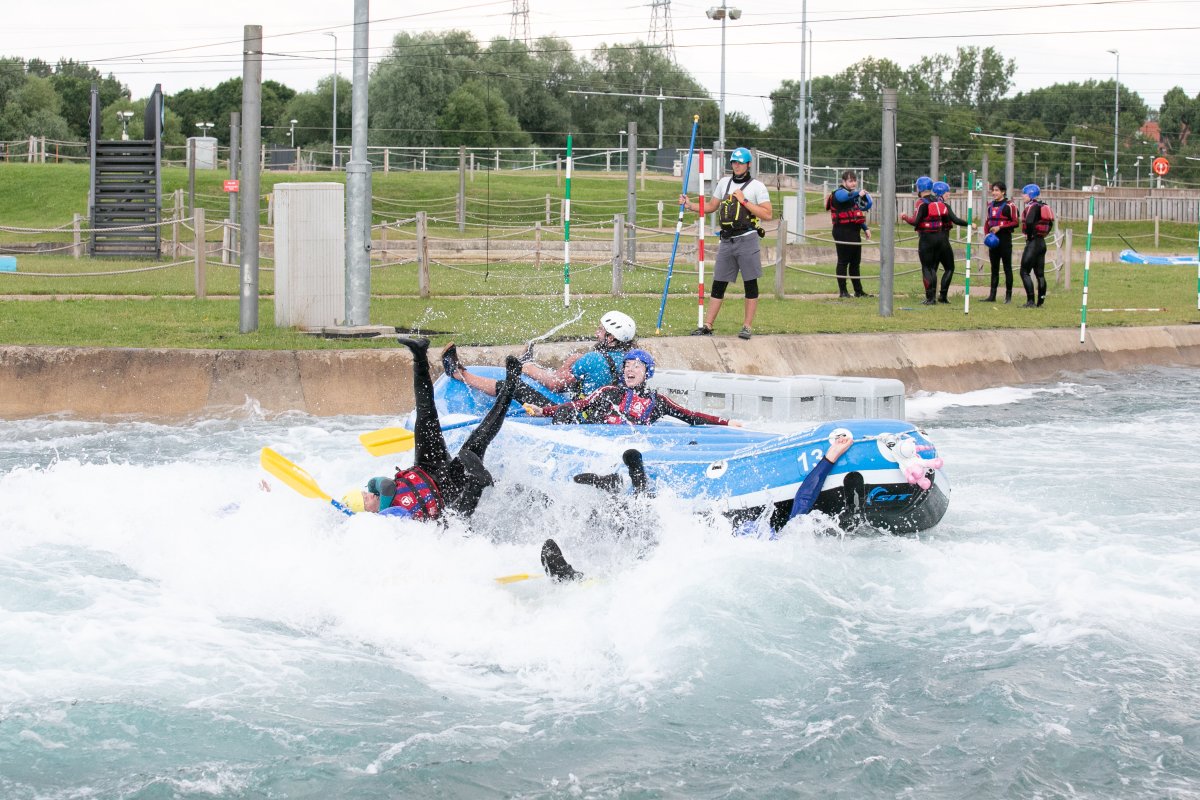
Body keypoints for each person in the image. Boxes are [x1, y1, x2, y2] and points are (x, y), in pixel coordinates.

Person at [340, 337, 523, 520]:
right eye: (365, 500)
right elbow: (386, 491)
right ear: (368, 513)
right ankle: (510, 387)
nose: (370, 494)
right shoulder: (390, 521)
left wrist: (374, 491)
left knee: (425, 413)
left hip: (427, 466)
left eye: (365, 493)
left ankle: (419, 355)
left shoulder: (382, 499)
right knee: (478, 439)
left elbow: (383, 484)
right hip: (447, 494)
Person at [442, 310, 637, 408]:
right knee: (567, 373)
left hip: (581, 416)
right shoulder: (633, 359)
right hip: (606, 412)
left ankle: (460, 374)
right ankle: (529, 363)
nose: (596, 333)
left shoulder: (594, 359)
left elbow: (555, 384)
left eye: (601, 330)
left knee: (513, 387)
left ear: (610, 338)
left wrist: (527, 369)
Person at [680, 147, 773, 340]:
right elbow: (711, 207)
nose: (737, 166)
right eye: (734, 162)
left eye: (740, 163)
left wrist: (744, 201)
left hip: (747, 239)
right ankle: (707, 325)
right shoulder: (724, 183)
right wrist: (690, 205)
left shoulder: (757, 187)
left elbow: (767, 214)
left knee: (750, 283)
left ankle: (747, 326)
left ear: (748, 164)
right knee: (719, 283)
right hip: (727, 240)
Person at [524, 349, 742, 428]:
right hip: (598, 438)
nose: (630, 369)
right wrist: (544, 411)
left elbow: (690, 416)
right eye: (627, 365)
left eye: (637, 366)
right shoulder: (609, 392)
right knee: (564, 413)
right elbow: (578, 405)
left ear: (647, 373)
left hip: (631, 446)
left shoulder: (658, 401)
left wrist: (726, 422)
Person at [901, 176, 968, 305]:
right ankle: (942, 296)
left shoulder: (921, 203)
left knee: (928, 268)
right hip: (941, 238)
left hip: (927, 239)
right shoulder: (939, 202)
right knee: (944, 268)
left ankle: (930, 298)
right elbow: (953, 220)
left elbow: (915, 221)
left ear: (919, 188)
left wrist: (904, 217)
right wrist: (969, 223)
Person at [826, 170, 873, 298]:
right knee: (843, 262)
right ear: (844, 181)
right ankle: (843, 292)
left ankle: (859, 291)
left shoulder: (853, 195)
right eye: (850, 181)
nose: (853, 183)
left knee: (855, 263)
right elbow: (844, 197)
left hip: (854, 232)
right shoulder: (839, 193)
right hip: (842, 231)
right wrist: (859, 193)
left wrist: (865, 228)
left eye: (854, 181)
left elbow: (855, 213)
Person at [982, 181, 1019, 303]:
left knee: (1007, 268)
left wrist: (1000, 227)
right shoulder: (990, 206)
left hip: (1005, 240)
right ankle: (992, 296)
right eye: (993, 190)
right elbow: (987, 222)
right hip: (993, 241)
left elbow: (1015, 222)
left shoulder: (1010, 206)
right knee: (994, 268)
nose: (994, 193)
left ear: (1003, 192)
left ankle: (1008, 297)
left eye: (997, 190)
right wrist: (987, 235)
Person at [1018, 183, 1054, 308]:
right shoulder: (1043, 206)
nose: (1022, 196)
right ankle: (1041, 301)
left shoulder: (1033, 207)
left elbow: (1028, 222)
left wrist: (1029, 235)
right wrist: (1043, 235)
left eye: (1024, 194)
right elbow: (1050, 224)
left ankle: (1030, 301)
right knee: (1040, 274)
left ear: (1031, 194)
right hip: (1041, 243)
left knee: (1024, 272)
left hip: (1033, 243)